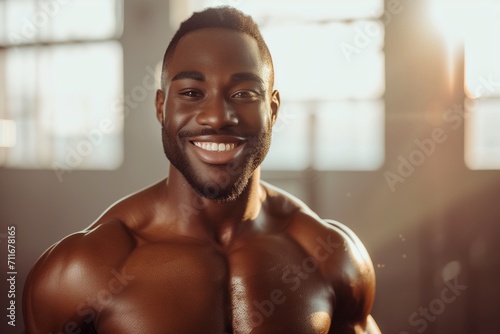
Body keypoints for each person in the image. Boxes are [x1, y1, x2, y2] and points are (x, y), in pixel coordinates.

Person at [23, 6, 380, 334]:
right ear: (161, 107)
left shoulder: (330, 257)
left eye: (243, 94)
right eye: (192, 92)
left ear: (273, 110)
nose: (217, 117)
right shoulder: (80, 272)